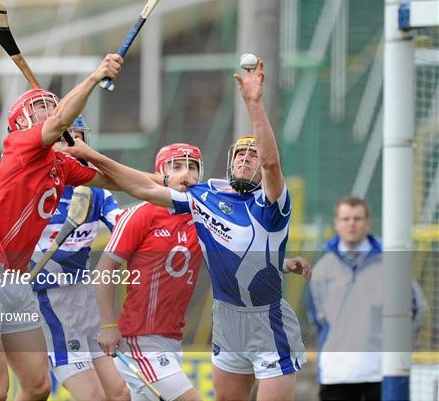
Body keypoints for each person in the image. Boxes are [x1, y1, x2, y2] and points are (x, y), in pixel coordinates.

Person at [63, 59, 310, 401]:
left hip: (265, 323)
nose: (246, 159)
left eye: (253, 156)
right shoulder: (201, 201)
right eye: (240, 154)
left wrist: (254, 105)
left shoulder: (272, 202)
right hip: (216, 322)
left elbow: (270, 166)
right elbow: (143, 189)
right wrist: (89, 155)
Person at [0, 54, 187, 401]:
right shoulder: (18, 147)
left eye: (49, 104)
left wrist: (165, 181)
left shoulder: (61, 166)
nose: (47, 110)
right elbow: (61, 118)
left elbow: (123, 182)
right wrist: (96, 76)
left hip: (16, 284)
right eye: (39, 106)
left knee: (38, 387)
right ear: (21, 124)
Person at [96, 143, 205, 401]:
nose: (186, 174)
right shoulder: (140, 214)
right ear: (159, 173)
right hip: (140, 340)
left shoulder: (204, 218)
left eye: (192, 167)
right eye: (176, 166)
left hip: (171, 339)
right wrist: (109, 325)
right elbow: (103, 271)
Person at [30, 117, 129, 400]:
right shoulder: (37, 189)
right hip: (50, 302)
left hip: (85, 299)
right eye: (64, 138)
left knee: (120, 393)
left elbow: (124, 227)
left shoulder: (97, 192)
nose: (73, 146)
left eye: (78, 138)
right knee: (92, 396)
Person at [307, 196, 427, 401]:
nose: (351, 223)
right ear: (336, 223)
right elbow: (317, 318)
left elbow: (416, 309)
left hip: (381, 372)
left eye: (357, 218)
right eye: (345, 219)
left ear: (368, 223)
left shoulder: (391, 265)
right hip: (336, 373)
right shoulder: (322, 270)